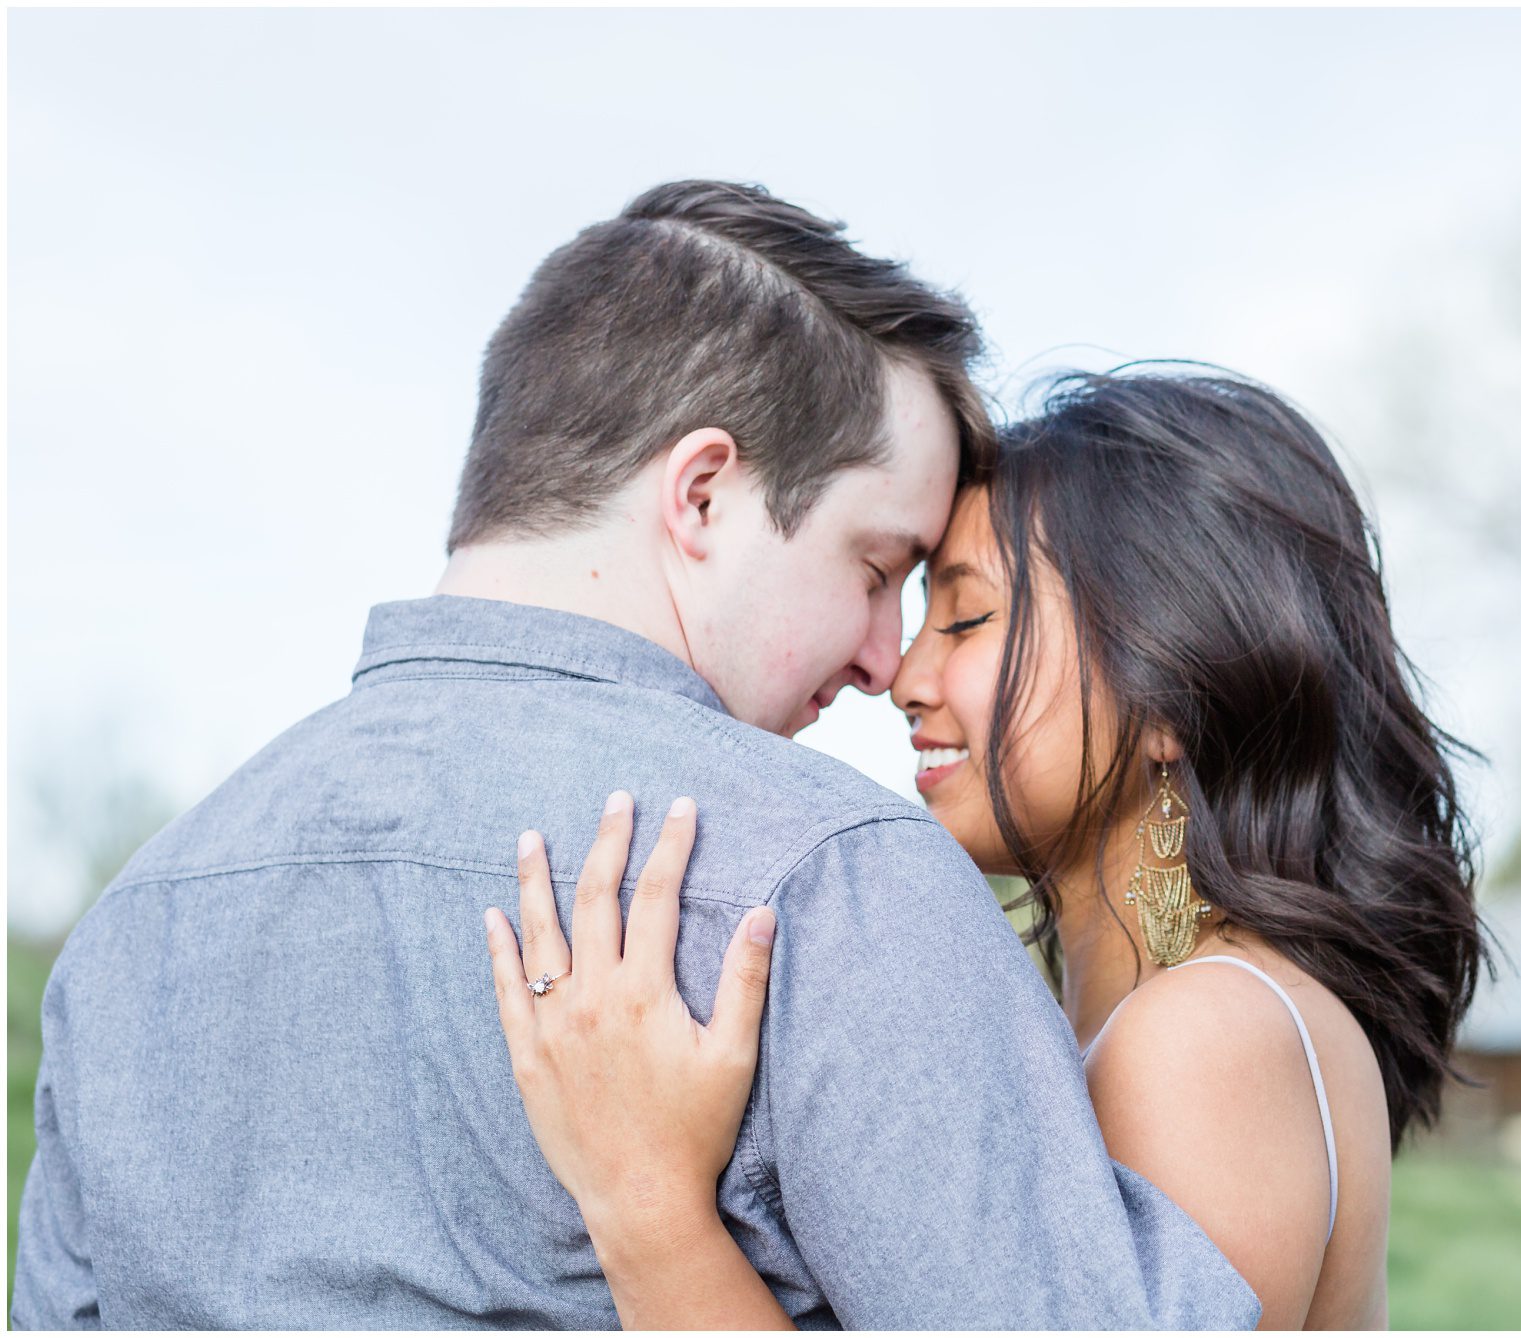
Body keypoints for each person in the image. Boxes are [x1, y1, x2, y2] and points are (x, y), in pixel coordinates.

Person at [9, 184, 1262, 1329]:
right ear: (702, 493)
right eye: (875, 571)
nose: (887, 659)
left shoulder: (133, 926)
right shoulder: (833, 884)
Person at [487, 368, 1498, 1329]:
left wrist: (647, 1202)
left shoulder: (1198, 1033)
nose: (903, 675)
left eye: (966, 618)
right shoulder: (1199, 1008)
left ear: (1171, 687)